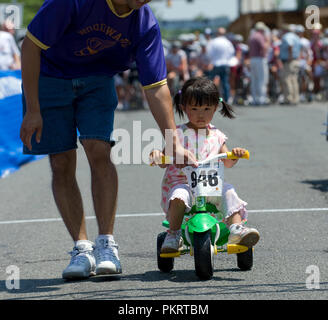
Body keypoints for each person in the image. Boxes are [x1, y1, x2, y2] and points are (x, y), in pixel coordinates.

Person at [19, 0, 197, 280]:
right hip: (50, 78)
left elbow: (156, 85)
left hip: (97, 80)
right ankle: (81, 248)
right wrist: (32, 109)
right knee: (61, 162)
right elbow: (29, 46)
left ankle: (106, 244)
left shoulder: (144, 22)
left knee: (98, 149)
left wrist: (172, 139)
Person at [149, 77, 260, 253]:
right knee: (179, 195)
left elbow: (227, 162)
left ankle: (237, 229)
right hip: (183, 184)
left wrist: (235, 155)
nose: (201, 114)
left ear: (215, 108)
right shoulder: (177, 134)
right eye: (194, 108)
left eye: (207, 109)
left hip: (210, 187)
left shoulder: (217, 135)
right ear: (184, 107)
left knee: (229, 190)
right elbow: (164, 160)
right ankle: (173, 234)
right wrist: (158, 156)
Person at [207, 27, 235, 102]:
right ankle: (226, 100)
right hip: (225, 64)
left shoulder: (213, 42)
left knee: (211, 83)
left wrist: (213, 60)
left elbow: (209, 53)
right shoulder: (227, 42)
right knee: (225, 83)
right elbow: (231, 53)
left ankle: (210, 99)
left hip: (215, 64)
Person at [279, 24, 301, 105]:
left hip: (289, 61)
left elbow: (290, 45)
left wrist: (290, 57)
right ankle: (295, 98)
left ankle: (289, 99)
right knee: (294, 80)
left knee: (287, 80)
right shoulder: (296, 37)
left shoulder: (287, 36)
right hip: (295, 60)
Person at [248, 22, 270, 106]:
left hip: (253, 59)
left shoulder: (252, 36)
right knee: (262, 79)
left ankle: (255, 98)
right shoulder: (260, 36)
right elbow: (264, 47)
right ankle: (262, 98)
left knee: (254, 80)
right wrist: (267, 41)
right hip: (259, 59)